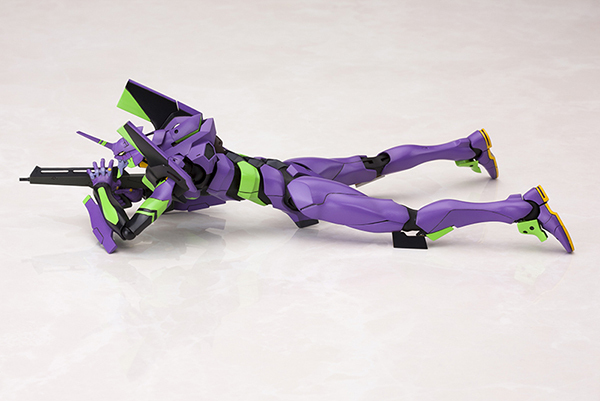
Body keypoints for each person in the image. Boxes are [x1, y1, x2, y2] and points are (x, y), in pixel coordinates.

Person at [81, 80, 573, 254]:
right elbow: (187, 201)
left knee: (409, 223)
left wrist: (104, 191)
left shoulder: (173, 177)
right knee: (376, 162)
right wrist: (127, 183)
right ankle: (466, 146)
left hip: (302, 194)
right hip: (288, 168)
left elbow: (126, 235)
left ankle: (522, 208)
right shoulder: (189, 144)